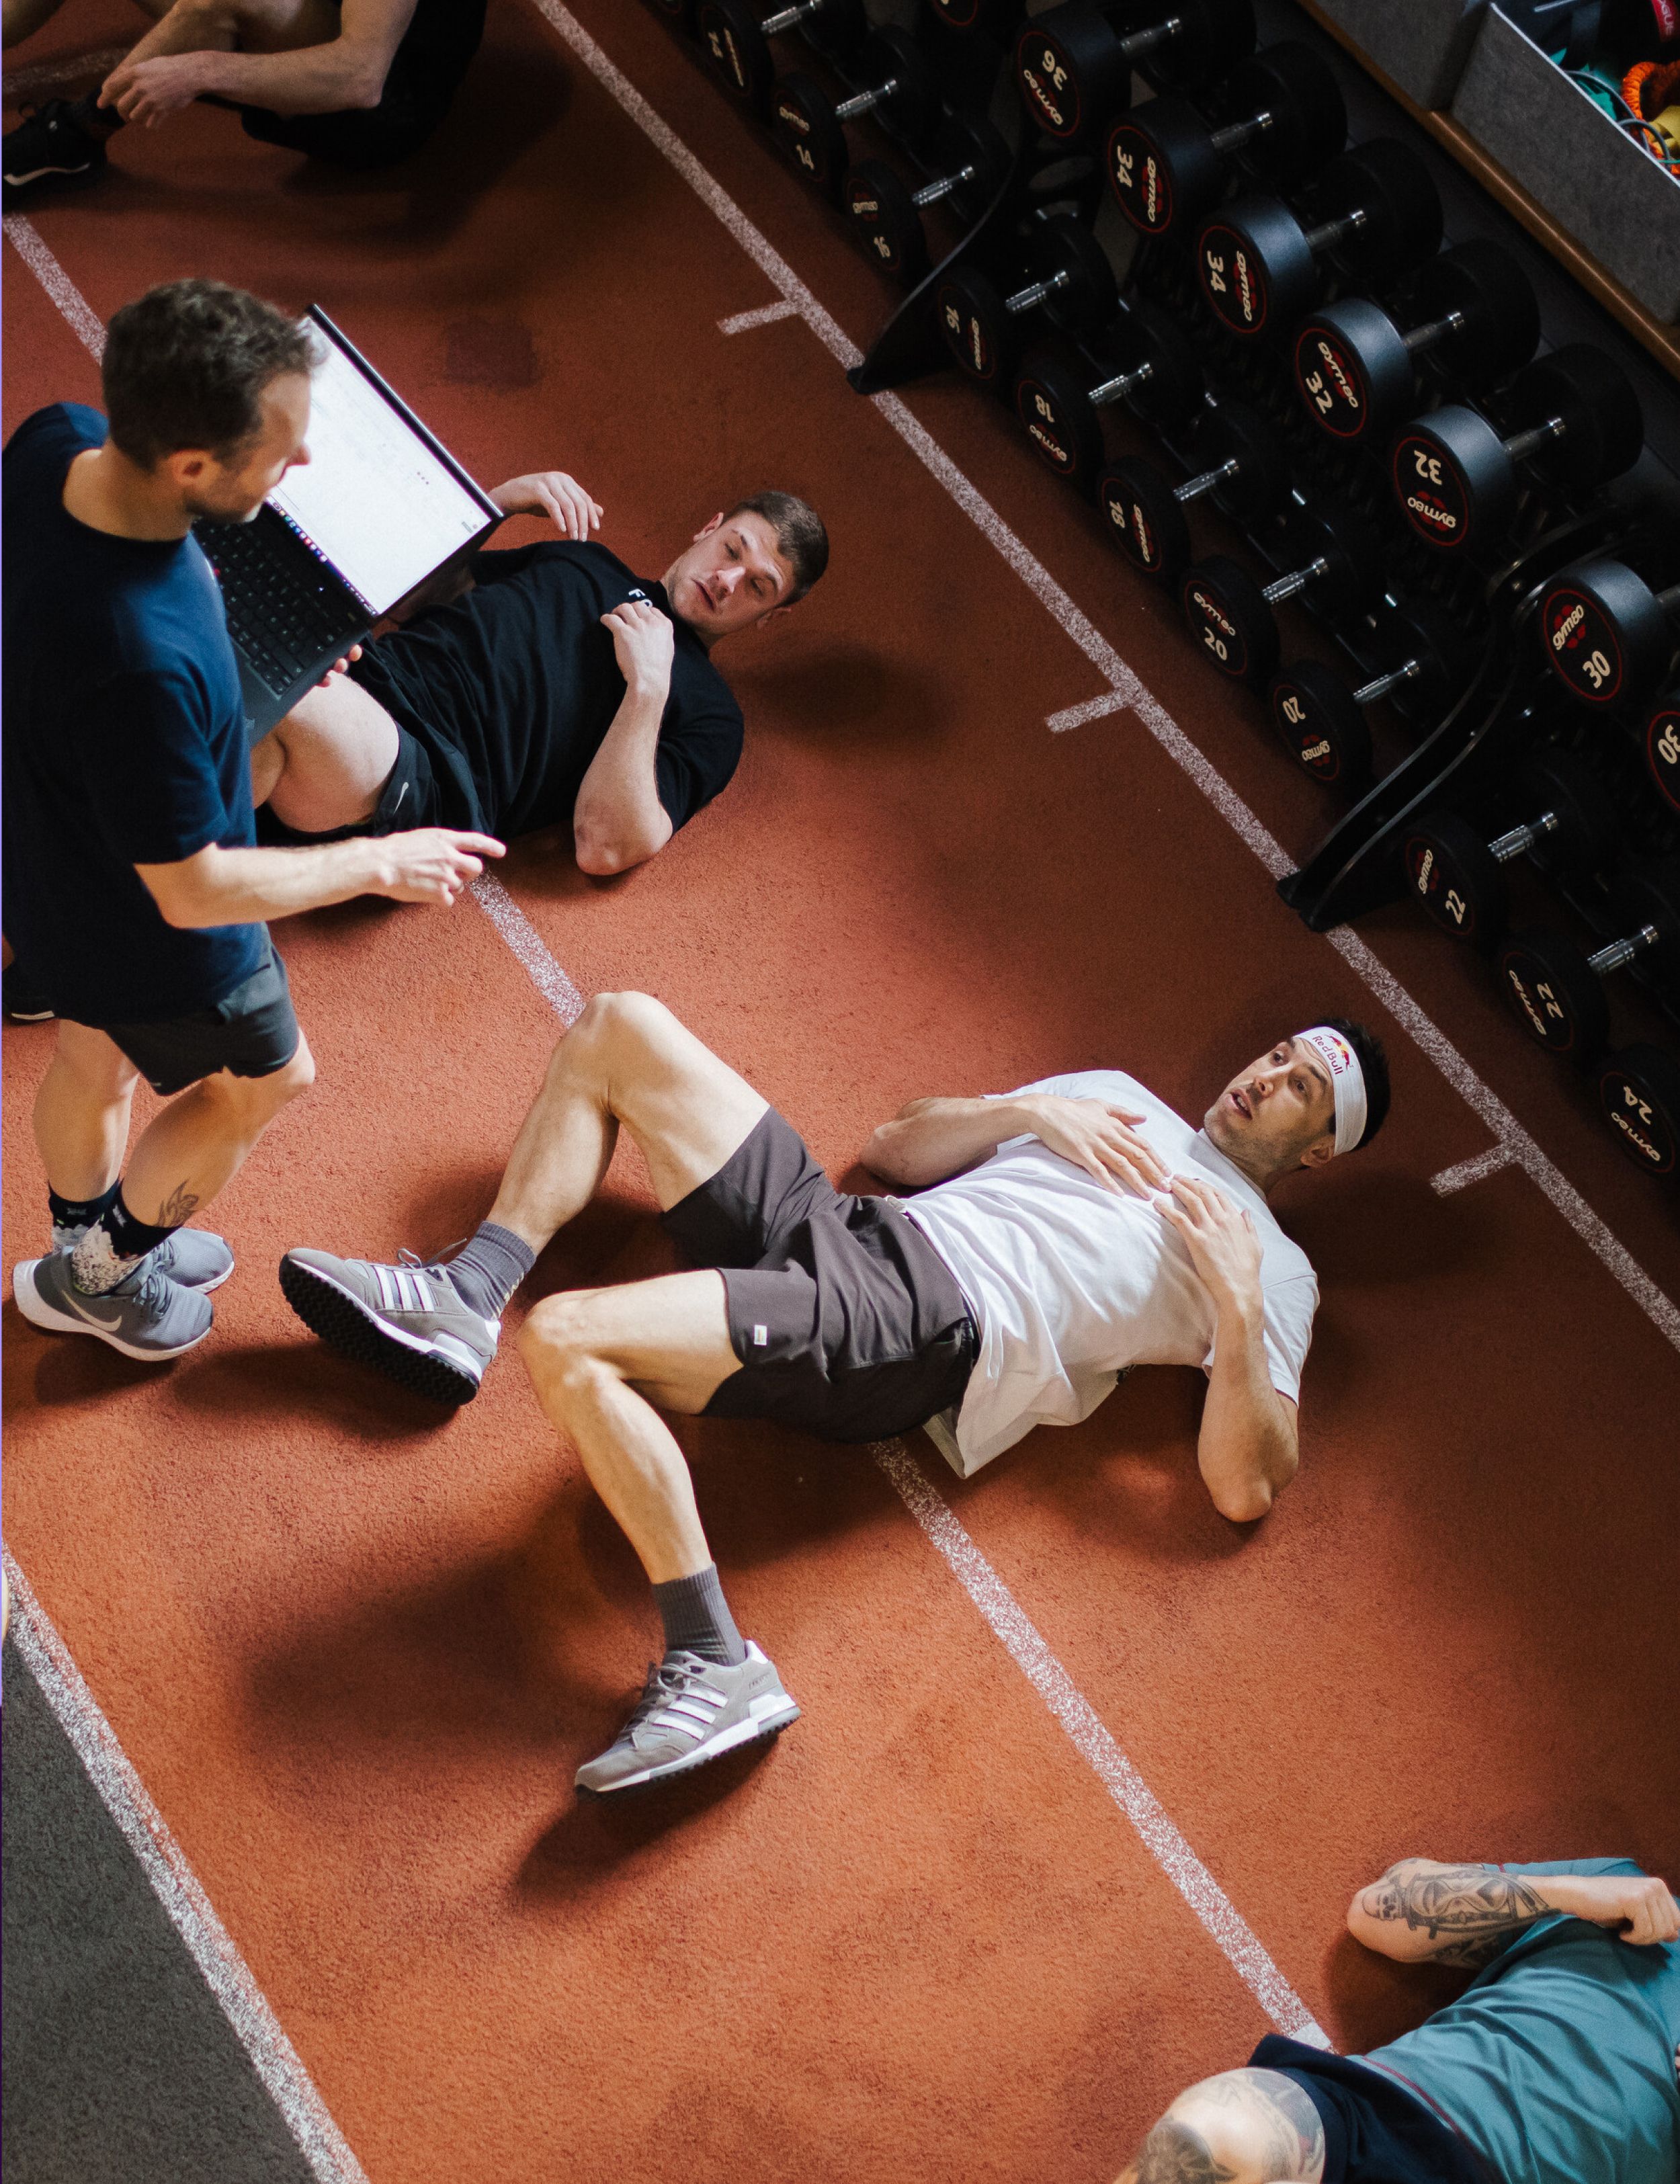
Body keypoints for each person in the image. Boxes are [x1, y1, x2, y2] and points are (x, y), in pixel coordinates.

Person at [276, 995, 1389, 1795]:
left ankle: (715, 1662)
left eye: (1303, 1086)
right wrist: (1029, 1117)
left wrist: (1237, 1314)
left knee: (571, 1343)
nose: (1267, 1075)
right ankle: (466, 1298)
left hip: (920, 1326)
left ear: (1323, 1147)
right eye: (1279, 1051)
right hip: (862, 1232)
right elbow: (896, 1147)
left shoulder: (1273, 1265)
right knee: (621, 1024)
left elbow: (1245, 1484)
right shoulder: (1114, 1099)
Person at [5, 278, 501, 1364]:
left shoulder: (57, 442)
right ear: (189, 466)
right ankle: (97, 1277)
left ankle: (86, 1239)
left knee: (95, 1063)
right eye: (279, 452)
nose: (302, 467)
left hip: (48, 853)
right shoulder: (148, 659)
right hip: (156, 928)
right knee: (267, 1081)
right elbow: (196, 885)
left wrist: (240, 648)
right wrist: (379, 858)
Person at [246, 487, 829, 878]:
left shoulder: (711, 716)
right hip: (365, 670)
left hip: (423, 763)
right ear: (710, 528)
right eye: (733, 550)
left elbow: (605, 845)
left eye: (758, 586)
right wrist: (494, 505)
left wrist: (648, 687)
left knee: (279, 697)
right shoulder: (586, 562)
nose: (727, 580)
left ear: (772, 616)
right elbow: (414, 598)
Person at [1114, 1854, 1680, 2183]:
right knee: (1212, 2136)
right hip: (1386, 2110)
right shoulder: (1626, 1890)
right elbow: (1379, 1915)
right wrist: (1571, 1892)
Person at [3, 0, 485, 199]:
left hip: (382, 101)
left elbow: (360, 77)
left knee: (219, 4)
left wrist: (200, 70)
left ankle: (72, 138)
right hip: (320, 17)